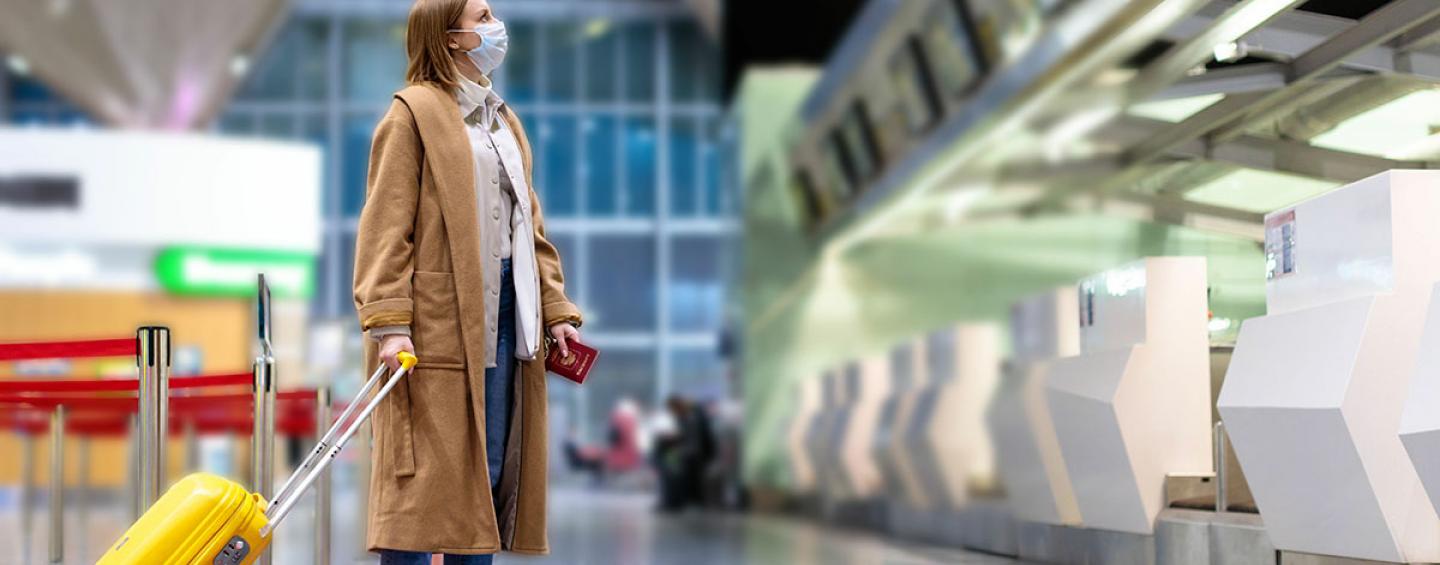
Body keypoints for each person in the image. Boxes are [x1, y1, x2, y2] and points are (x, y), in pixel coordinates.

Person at [351, 0, 583, 562]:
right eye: (482, 17)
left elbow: (530, 225)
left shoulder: (502, 120)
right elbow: (385, 227)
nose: (494, 26)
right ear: (449, 36)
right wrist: (389, 323)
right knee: (424, 489)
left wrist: (555, 308)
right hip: (434, 325)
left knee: (485, 475)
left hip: (505, 315)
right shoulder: (411, 114)